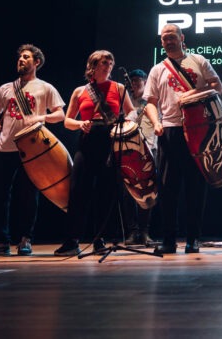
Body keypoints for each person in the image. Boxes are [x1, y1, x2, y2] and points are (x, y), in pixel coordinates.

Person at [54, 51, 161, 256]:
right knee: (78, 192)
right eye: (104, 63)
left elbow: (131, 113)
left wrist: (126, 125)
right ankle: (72, 239)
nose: (108, 67)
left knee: (105, 192)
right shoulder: (80, 91)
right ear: (92, 65)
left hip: (110, 142)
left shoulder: (119, 88)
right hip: (87, 141)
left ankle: (99, 239)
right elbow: (67, 121)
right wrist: (80, 123)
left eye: (111, 63)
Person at [0, 44, 65, 256]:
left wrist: (41, 117)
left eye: (26, 57)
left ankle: (26, 239)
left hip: (33, 149)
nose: (21, 60)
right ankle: (0, 240)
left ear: (37, 62)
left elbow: (60, 115)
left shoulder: (45, 87)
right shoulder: (5, 88)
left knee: (28, 195)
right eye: (19, 57)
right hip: (5, 146)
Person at [144, 23, 222, 255]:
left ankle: (193, 239)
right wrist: (156, 122)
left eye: (171, 36)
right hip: (169, 130)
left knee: (195, 187)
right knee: (168, 189)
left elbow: (218, 86)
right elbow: (150, 101)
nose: (168, 41)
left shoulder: (198, 61)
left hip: (198, 130)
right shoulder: (157, 70)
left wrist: (194, 93)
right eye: (164, 38)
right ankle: (169, 239)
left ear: (181, 37)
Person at [121, 67, 157, 246]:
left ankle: (144, 232)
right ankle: (132, 232)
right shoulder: (126, 102)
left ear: (145, 83)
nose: (135, 85)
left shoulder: (151, 100)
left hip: (150, 148)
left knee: (148, 192)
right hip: (129, 151)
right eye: (132, 82)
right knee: (129, 193)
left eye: (138, 82)